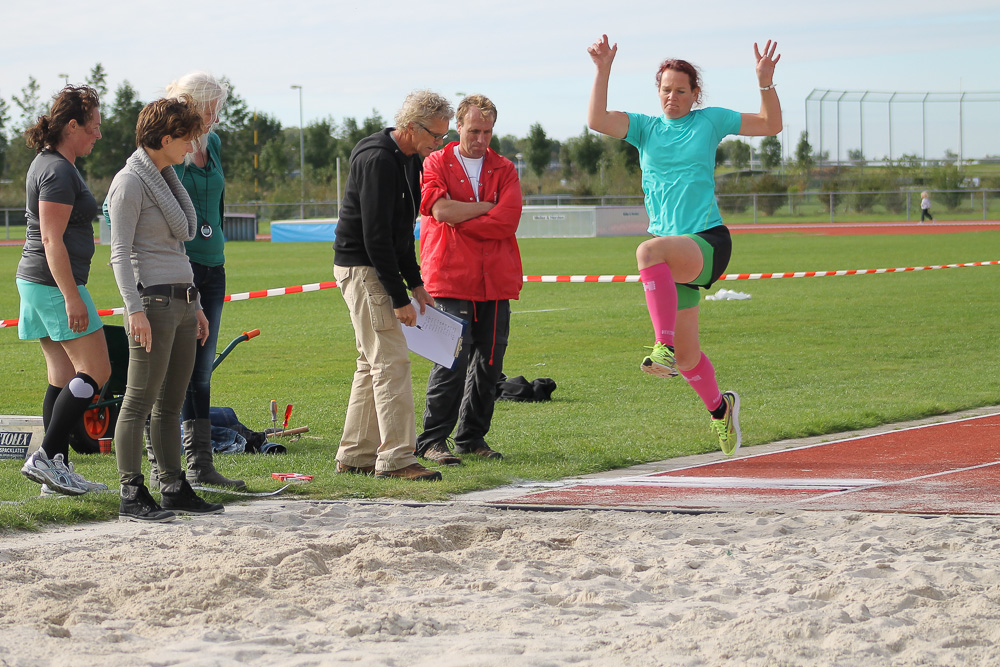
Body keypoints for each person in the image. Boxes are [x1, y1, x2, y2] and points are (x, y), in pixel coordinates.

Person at [587, 35, 782, 456]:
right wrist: (603, 71)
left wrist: (765, 83)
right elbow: (598, 120)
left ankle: (662, 345)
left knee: (646, 252)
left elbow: (770, 125)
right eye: (665, 90)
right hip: (674, 254)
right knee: (691, 358)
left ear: (695, 94)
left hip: (706, 241)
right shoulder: (645, 128)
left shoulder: (709, 121)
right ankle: (720, 409)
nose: (672, 97)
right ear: (657, 93)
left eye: (680, 90)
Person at [107, 98, 224, 521]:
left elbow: (178, 246)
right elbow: (119, 252)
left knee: (171, 404)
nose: (194, 145)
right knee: (138, 401)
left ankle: (173, 486)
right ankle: (131, 492)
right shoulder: (130, 182)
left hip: (182, 300)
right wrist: (133, 309)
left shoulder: (164, 178)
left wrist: (195, 304)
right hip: (151, 303)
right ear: (166, 138)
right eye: (187, 137)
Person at [333, 90, 452, 481]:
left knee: (371, 363)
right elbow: (376, 238)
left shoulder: (407, 160)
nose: (439, 144)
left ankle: (355, 453)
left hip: (373, 265)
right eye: (436, 136)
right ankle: (398, 459)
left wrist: (416, 283)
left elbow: (401, 232)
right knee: (392, 362)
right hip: (365, 268)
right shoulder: (378, 159)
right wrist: (399, 297)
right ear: (412, 127)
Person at [415, 94, 523, 465]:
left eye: (488, 131)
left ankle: (472, 437)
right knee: (451, 360)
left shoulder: (505, 168)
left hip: (496, 280)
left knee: (490, 363)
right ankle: (432, 441)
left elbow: (508, 221)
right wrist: (486, 210)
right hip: (449, 276)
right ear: (458, 126)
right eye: (474, 130)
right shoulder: (435, 162)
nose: (481, 138)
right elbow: (440, 210)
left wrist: (464, 219)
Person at [16, 85, 112, 496]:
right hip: (53, 283)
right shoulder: (55, 169)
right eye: (93, 126)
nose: (98, 134)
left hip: (37, 282)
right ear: (71, 126)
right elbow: (52, 240)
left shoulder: (51, 163)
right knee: (98, 371)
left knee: (62, 376)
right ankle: (46, 455)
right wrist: (72, 296)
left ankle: (56, 475)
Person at [163, 72, 244, 489]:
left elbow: (217, 202)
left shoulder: (212, 144)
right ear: (190, 103)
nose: (215, 117)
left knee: (202, 370)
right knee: (177, 369)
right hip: (181, 269)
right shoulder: (166, 145)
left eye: (218, 108)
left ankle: (201, 464)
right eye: (210, 108)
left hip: (214, 268)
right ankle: (172, 465)